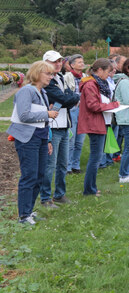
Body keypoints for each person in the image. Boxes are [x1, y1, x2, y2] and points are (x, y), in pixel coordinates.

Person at [8, 61, 60, 224]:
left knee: (39, 176)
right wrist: (47, 114)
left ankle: (29, 211)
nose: (51, 77)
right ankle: (23, 216)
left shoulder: (42, 92)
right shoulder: (27, 91)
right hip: (28, 139)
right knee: (29, 176)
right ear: (37, 73)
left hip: (41, 138)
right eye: (48, 74)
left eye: (52, 74)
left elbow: (43, 121)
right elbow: (24, 115)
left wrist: (49, 140)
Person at [40, 51, 78, 208]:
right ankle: (45, 198)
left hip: (64, 125)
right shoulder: (47, 81)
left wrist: (70, 99)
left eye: (60, 61)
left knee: (63, 163)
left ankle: (59, 194)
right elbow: (63, 98)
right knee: (50, 164)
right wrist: (71, 99)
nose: (58, 63)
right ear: (45, 62)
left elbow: (68, 97)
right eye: (54, 61)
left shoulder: (60, 78)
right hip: (52, 127)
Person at [77, 58, 121, 196]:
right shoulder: (91, 84)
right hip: (94, 123)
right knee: (95, 158)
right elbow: (93, 105)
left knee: (96, 157)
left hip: (100, 122)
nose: (109, 74)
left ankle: (91, 187)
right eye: (108, 71)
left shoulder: (98, 83)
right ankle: (89, 190)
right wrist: (113, 105)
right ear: (100, 70)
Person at [66, 54, 86, 174]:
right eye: (79, 62)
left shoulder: (85, 77)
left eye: (82, 62)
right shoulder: (67, 77)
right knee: (71, 139)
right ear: (72, 65)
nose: (82, 64)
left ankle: (76, 165)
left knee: (80, 140)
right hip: (72, 109)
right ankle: (67, 166)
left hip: (83, 110)